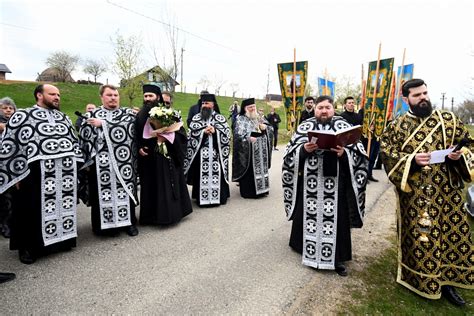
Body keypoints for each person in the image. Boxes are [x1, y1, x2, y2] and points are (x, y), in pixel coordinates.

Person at [380, 78, 474, 306]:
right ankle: (421, 279)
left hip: (448, 193)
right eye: (416, 95)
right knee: (423, 238)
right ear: (405, 99)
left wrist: (459, 156)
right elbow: (388, 154)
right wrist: (411, 161)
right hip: (416, 196)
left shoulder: (448, 120)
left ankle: (449, 284)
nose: (423, 98)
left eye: (424, 93)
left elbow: (469, 144)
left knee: (452, 237)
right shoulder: (397, 126)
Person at [282, 95, 368, 276]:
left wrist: (344, 154)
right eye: (320, 107)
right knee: (308, 216)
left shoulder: (343, 126)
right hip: (310, 186)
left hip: (337, 186)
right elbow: (289, 155)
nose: (323, 111)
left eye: (327, 107)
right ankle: (306, 249)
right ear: (315, 109)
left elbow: (360, 157)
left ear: (333, 108)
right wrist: (303, 150)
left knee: (337, 220)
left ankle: (337, 258)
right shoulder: (304, 127)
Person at [0, 84, 83, 264]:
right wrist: (15, 174)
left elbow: (73, 141)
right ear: (39, 95)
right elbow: (9, 144)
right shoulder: (23, 115)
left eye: (58, 95)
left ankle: (60, 241)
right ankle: (27, 248)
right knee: (30, 210)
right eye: (52, 94)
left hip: (63, 173)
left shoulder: (63, 117)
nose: (57, 97)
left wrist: (78, 165)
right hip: (33, 174)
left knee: (60, 206)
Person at [79, 85, 139, 237]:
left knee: (125, 191)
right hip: (100, 165)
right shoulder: (91, 115)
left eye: (115, 95)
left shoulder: (127, 114)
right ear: (101, 97)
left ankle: (129, 223)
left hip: (124, 162)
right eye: (109, 95)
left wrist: (104, 124)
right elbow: (84, 138)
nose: (113, 97)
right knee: (102, 195)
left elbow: (128, 129)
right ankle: (105, 227)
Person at [136, 84, 192, 225]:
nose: (148, 99)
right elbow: (135, 134)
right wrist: (138, 147)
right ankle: (150, 217)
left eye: (151, 96)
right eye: (145, 96)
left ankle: (169, 215)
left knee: (166, 185)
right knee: (150, 187)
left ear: (158, 97)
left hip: (165, 157)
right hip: (148, 159)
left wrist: (166, 138)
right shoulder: (140, 114)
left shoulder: (169, 113)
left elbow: (181, 134)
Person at [184, 94, 230, 206]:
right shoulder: (196, 118)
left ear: (213, 105)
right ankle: (201, 198)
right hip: (201, 155)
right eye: (203, 103)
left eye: (207, 103)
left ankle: (218, 198)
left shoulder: (220, 118)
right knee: (200, 175)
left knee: (217, 174)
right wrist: (202, 133)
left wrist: (215, 132)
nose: (204, 105)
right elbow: (190, 135)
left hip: (216, 154)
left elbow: (227, 136)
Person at [232, 98, 273, 198]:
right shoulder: (240, 119)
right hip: (248, 152)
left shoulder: (259, 117)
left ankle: (262, 190)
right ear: (245, 108)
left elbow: (270, 128)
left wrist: (265, 128)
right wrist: (248, 138)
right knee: (250, 173)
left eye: (253, 107)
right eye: (250, 107)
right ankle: (249, 192)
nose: (252, 109)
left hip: (260, 150)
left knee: (261, 170)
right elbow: (238, 135)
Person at [0, 97, 17, 238]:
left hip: (10, 166)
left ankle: (7, 225)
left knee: (9, 197)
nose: (8, 110)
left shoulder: (16, 123)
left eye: (11, 108)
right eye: (5, 108)